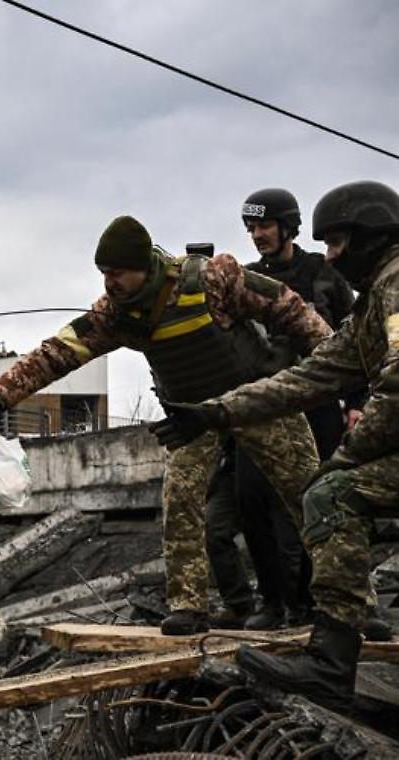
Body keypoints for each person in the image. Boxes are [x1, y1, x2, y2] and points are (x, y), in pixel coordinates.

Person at [0, 215, 332, 635]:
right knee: (180, 502)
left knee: (311, 497)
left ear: (141, 266)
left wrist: (337, 370)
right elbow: (55, 353)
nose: (108, 284)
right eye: (103, 274)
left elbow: (290, 309)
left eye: (116, 273)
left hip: (258, 402)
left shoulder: (212, 278)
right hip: (191, 418)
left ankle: (348, 601)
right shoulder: (116, 314)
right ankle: (189, 605)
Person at [150, 180, 399, 709]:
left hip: (373, 431)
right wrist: (218, 412)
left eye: (338, 244)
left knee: (329, 492)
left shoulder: (394, 282)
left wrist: (352, 452)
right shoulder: (374, 296)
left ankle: (332, 657)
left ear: (371, 237)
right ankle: (325, 651)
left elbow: (396, 379)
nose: (331, 256)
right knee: (303, 497)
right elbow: (312, 374)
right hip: (328, 423)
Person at [207, 188, 359, 631]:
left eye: (265, 225)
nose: (257, 235)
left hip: (318, 408)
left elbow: (353, 343)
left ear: (287, 226)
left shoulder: (323, 275)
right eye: (251, 228)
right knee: (252, 505)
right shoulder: (247, 280)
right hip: (264, 410)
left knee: (318, 507)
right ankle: (272, 603)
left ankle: (319, 604)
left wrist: (358, 404)